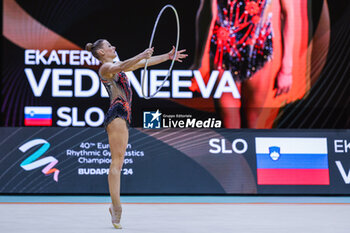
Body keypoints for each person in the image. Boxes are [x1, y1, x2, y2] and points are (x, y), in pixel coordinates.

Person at [85, 39, 187, 229]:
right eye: (109, 46)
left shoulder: (118, 67)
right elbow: (126, 64)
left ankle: (114, 206)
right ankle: (116, 207)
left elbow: (139, 64)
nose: (114, 47)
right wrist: (141, 54)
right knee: (116, 163)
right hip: (117, 114)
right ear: (100, 53)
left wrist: (167, 56)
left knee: (119, 162)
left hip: (123, 115)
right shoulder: (105, 68)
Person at [188, 0, 317, 128]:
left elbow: (288, 14)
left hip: (257, 51)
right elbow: (206, 12)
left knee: (252, 121)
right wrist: (198, 61)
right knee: (228, 120)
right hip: (224, 51)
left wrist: (287, 69)